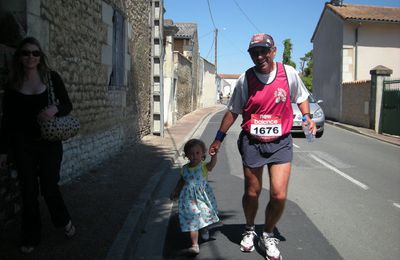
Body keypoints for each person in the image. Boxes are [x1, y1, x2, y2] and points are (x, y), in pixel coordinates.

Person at [209, 33, 316, 260]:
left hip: (281, 143)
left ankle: (267, 233)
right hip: (253, 143)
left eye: (263, 51)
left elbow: (302, 96)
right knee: (252, 192)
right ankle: (249, 229)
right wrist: (219, 138)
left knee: (278, 195)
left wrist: (307, 116)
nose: (259, 56)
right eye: (254, 52)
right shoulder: (245, 79)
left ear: (273, 51)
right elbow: (233, 110)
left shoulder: (288, 73)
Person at [0, 37, 76, 254]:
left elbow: (67, 104)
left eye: (35, 53)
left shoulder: (51, 78)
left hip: (49, 143)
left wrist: (54, 110)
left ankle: (63, 220)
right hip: (22, 145)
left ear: (40, 57)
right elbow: (7, 121)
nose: (30, 57)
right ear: (19, 57)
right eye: (25, 53)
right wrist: (3, 151)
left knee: (50, 186)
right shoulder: (13, 85)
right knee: (28, 191)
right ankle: (31, 234)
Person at [170, 138, 219, 255]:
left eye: (197, 153)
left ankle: (205, 228)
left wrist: (214, 155)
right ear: (186, 155)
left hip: (202, 197)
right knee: (193, 221)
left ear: (202, 154)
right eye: (191, 153)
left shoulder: (203, 167)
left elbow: (212, 165)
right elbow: (182, 181)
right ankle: (194, 245)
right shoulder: (184, 169)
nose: (194, 156)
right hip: (188, 199)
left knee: (204, 215)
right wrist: (176, 191)